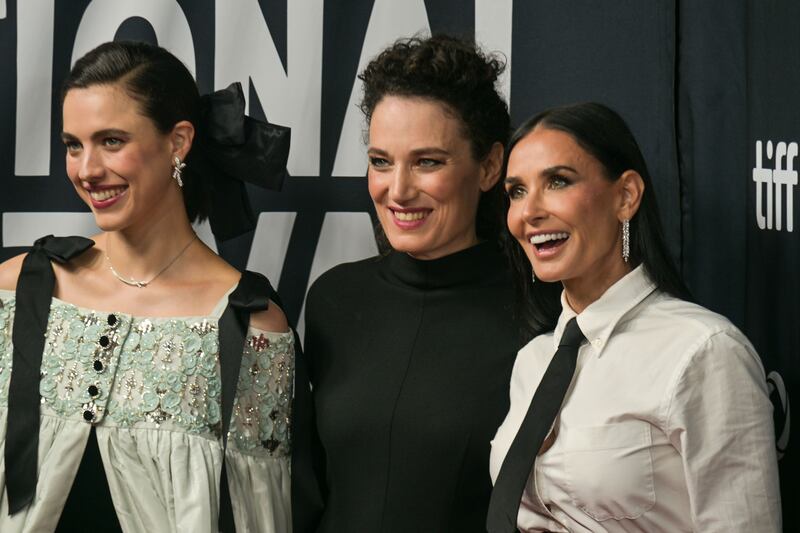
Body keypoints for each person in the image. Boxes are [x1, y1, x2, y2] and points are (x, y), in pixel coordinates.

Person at [0, 41, 294, 532]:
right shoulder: (17, 290)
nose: (87, 169)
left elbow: (260, 514)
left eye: (111, 141)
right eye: (74, 144)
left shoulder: (247, 322)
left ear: (178, 141)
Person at [292, 35, 556, 533]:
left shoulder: (545, 312)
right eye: (380, 161)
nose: (398, 190)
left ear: (490, 166)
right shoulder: (334, 300)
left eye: (427, 162)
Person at [488, 102, 782, 532]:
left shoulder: (703, 352)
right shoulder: (533, 361)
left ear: (625, 196)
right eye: (516, 191)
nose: (529, 211)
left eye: (557, 182)